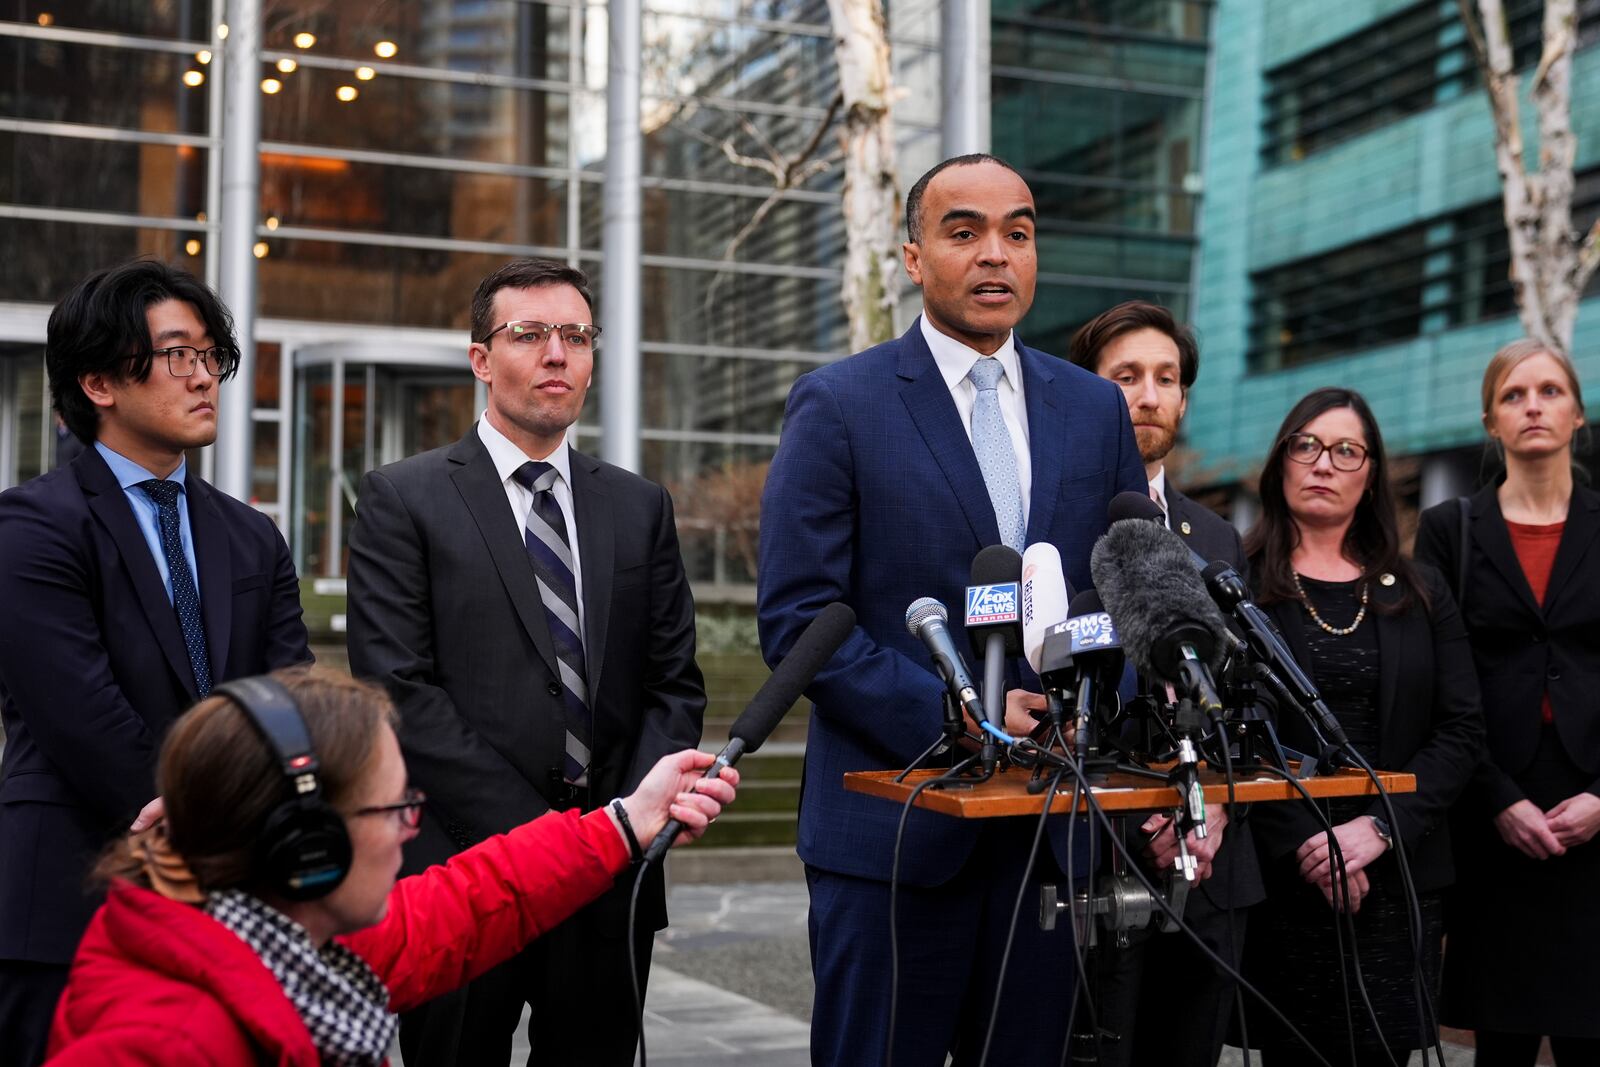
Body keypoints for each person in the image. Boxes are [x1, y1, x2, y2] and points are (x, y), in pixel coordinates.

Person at [757, 153, 1147, 1065]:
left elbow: (1129, 588)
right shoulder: (840, 404)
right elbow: (800, 616)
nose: (995, 255)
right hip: (894, 837)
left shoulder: (1094, 408)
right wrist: (961, 715)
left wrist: (1091, 698)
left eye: (1018, 232)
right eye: (963, 231)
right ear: (911, 254)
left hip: (1049, 838)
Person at [345, 257, 706, 1066]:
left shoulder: (637, 504)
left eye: (576, 336)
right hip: (463, 873)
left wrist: (624, 830)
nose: (557, 354)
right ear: (481, 359)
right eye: (530, 334)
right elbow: (398, 689)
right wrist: (548, 841)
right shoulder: (404, 497)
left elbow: (672, 681)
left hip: (610, 877)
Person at [43, 666, 734, 1065]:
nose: (412, 827)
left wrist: (624, 821)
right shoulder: (158, 1044)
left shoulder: (296, 936)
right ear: (308, 842)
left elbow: (468, 900)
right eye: (393, 807)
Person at [0, 259, 311, 1067]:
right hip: (71, 897)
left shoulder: (252, 535)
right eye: (179, 354)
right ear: (98, 380)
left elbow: (289, 699)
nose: (205, 375)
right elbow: (84, 719)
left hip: (232, 905)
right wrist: (218, 826)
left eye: (211, 355)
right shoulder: (32, 526)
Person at [1237, 388, 1483, 1064]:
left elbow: (1462, 731)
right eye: (1306, 444)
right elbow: (1235, 732)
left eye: (1346, 450)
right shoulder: (1236, 584)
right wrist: (1312, 847)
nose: (1324, 463)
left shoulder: (1422, 591)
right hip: (1286, 877)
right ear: (1281, 461)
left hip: (1397, 874)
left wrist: (1375, 830)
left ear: (1369, 472)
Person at [1065, 300, 1264, 1067]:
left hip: (1207, 874)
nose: (1147, 395)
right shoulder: (1047, 524)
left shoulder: (1215, 539)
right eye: (1125, 377)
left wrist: (1211, 809)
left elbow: (1236, 697)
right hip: (1090, 867)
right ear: (1086, 392)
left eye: (1166, 378)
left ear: (1184, 397)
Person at [1414, 340, 1600, 1066]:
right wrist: (1495, 797)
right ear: (1492, 419)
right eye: (1516, 394)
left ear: (1577, 414)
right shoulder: (1449, 530)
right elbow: (1440, 679)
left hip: (1594, 809)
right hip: (1496, 814)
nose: (1533, 406)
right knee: (1503, 1044)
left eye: (1550, 391)